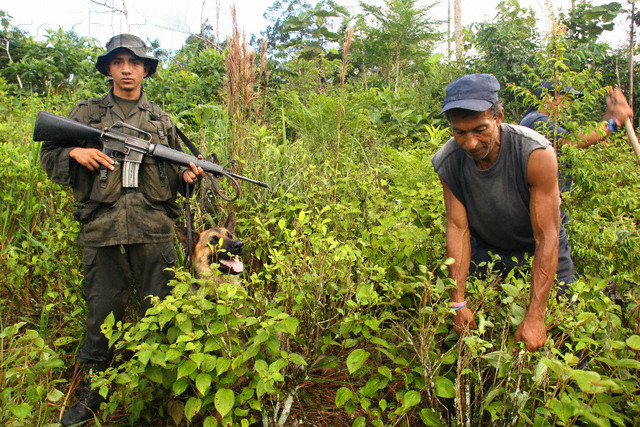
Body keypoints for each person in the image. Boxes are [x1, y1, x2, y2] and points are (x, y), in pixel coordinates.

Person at [39, 34, 205, 426]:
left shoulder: (161, 120)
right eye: (119, 62)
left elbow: (175, 180)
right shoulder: (86, 114)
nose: (127, 69)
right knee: (102, 310)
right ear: (109, 68)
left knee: (164, 309)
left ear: (146, 70)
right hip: (102, 227)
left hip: (154, 227)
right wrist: (75, 152)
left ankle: (168, 388)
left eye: (135, 62)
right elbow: (49, 155)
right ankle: (94, 389)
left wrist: (189, 176)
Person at [431, 73, 575, 352]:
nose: (470, 143)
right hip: (489, 250)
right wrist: (458, 301)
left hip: (540, 248)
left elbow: (547, 236)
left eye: (480, 129)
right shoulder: (449, 161)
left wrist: (536, 314)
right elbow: (458, 229)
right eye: (460, 132)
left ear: (499, 117)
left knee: (562, 338)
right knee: (481, 341)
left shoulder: (535, 153)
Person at [519, 80, 633, 193]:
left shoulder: (555, 124)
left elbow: (589, 137)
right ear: (547, 97)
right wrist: (615, 121)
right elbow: (573, 141)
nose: (568, 107)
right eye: (565, 100)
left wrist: (611, 113)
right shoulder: (535, 120)